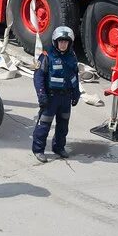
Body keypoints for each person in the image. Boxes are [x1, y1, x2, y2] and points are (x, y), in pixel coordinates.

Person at [32, 26, 81, 162]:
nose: (63, 44)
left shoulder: (72, 56)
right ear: (55, 42)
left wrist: (76, 94)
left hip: (65, 98)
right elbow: (38, 77)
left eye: (66, 42)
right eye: (61, 41)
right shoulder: (47, 57)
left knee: (63, 126)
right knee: (44, 125)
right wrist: (42, 95)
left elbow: (75, 76)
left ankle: (59, 147)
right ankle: (38, 150)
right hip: (51, 98)